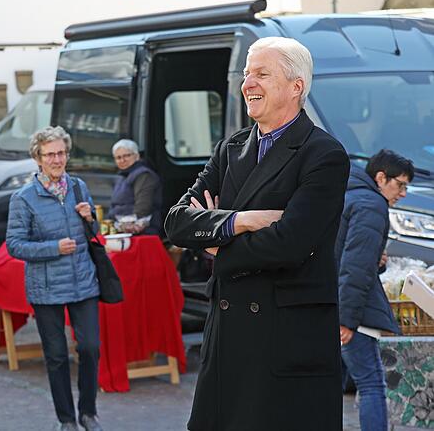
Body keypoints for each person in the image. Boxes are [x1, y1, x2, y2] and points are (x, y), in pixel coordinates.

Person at [164, 37, 350, 430]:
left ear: (296, 86)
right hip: (227, 338)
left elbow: (289, 244)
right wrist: (239, 221)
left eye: (262, 74)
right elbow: (177, 222)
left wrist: (216, 245)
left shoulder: (324, 154)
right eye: (247, 74)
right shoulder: (230, 149)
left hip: (284, 340)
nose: (247, 83)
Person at [5, 126, 103, 431]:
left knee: (90, 348)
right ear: (38, 158)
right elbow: (14, 245)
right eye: (49, 154)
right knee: (57, 355)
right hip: (46, 287)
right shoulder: (23, 198)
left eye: (61, 153)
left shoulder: (78, 187)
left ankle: (88, 413)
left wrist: (90, 219)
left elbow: (94, 234)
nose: (57, 159)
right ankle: (66, 419)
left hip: (83, 282)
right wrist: (54, 248)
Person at [336, 149, 413, 431]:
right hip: (352, 312)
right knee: (371, 384)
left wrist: (377, 261)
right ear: (381, 178)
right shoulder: (372, 205)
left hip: (330, 301)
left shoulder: (349, 195)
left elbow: (345, 253)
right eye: (400, 185)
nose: (403, 194)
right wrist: (347, 319)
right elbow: (355, 266)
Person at [108, 139, 164, 236]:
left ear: (137, 156)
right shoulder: (121, 176)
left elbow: (143, 207)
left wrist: (130, 225)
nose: (122, 160)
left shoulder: (144, 175)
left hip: (141, 230)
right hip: (121, 228)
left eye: (126, 156)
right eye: (118, 157)